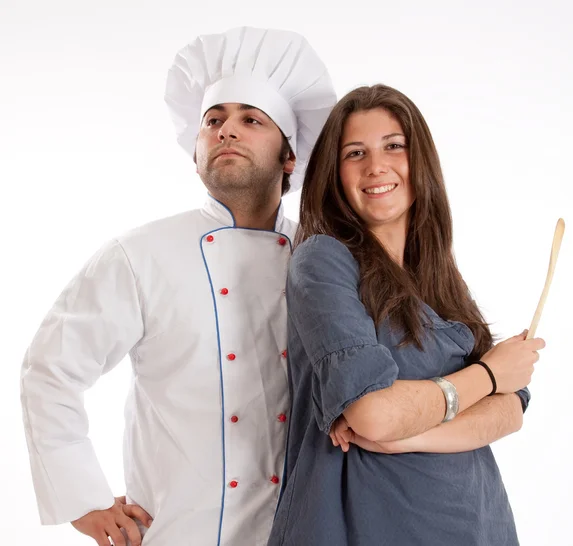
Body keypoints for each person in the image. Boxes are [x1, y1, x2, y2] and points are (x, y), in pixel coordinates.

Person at [20, 27, 336, 546]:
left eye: (251, 119)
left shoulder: (321, 259)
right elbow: (50, 370)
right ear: (195, 152)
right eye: (213, 121)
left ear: (290, 157)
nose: (225, 131)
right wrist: (83, 500)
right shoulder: (141, 255)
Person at [268, 84, 545, 546]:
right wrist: (490, 375)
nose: (376, 166)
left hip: (474, 524)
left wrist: (410, 435)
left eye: (393, 146)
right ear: (333, 175)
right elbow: (374, 415)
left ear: (420, 161)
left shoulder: (437, 275)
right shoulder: (323, 261)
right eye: (355, 153)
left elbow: (510, 412)